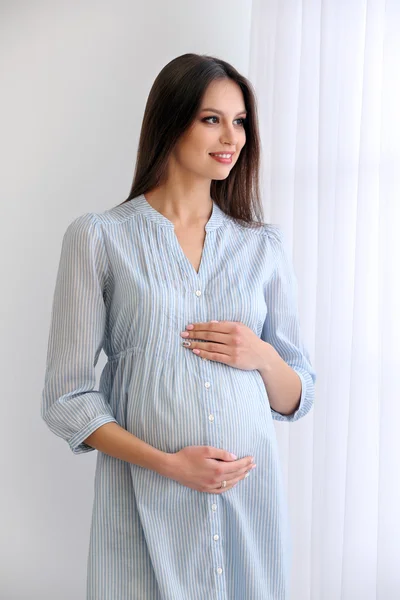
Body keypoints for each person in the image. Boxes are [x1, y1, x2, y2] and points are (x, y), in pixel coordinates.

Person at [41, 53, 316, 600]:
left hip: (247, 508)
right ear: (171, 120)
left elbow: (297, 397)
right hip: (144, 507)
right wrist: (169, 465)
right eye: (211, 118)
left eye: (240, 122)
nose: (231, 136)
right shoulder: (99, 238)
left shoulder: (262, 247)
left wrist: (259, 354)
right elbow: (66, 398)